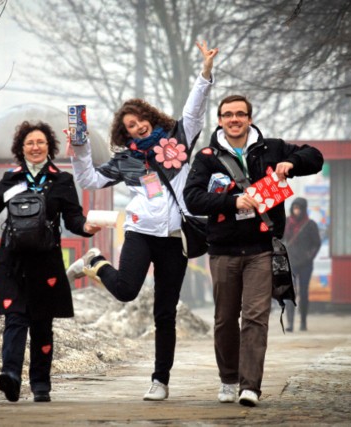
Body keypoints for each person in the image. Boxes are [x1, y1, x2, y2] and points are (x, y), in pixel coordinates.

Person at [65, 41, 218, 401]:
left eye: (139, 120)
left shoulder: (178, 141)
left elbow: (194, 113)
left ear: (148, 115)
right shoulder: (126, 161)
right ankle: (95, 263)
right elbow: (89, 179)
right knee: (126, 290)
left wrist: (205, 73)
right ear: (125, 132)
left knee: (166, 313)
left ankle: (160, 380)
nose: (136, 128)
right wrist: (80, 149)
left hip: (176, 238)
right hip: (140, 233)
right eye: (130, 127)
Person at [0, 121, 101, 403]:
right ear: (21, 149)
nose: (35, 147)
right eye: (29, 143)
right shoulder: (10, 178)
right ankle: (10, 375)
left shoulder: (61, 180)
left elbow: (73, 218)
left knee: (41, 325)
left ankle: (40, 384)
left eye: (40, 142)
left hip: (46, 264)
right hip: (12, 262)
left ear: (49, 147)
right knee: (15, 319)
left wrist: (87, 226)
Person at [183, 95, 323, 407]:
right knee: (224, 318)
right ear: (220, 120)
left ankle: (251, 387)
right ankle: (229, 380)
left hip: (261, 249)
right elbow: (191, 198)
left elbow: (315, 157)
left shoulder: (271, 148)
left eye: (240, 114)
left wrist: (294, 162)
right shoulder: (207, 157)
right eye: (228, 114)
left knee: (256, 317)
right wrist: (231, 202)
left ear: (249, 117)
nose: (234, 119)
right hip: (222, 250)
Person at [283, 197, 321, 332]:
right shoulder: (287, 223)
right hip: (291, 263)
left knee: (304, 293)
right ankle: (290, 323)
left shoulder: (310, 225)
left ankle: (303, 322)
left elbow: (316, 243)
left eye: (299, 208)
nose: (296, 211)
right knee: (290, 294)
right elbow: (281, 240)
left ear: (303, 209)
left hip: (305, 264)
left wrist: (309, 256)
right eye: (294, 208)